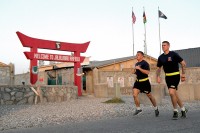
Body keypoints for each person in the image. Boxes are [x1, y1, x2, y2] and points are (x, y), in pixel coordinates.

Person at [156, 41, 187, 120]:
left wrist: (183, 74)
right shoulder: (161, 57)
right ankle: (183, 110)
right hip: (168, 77)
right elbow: (159, 68)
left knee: (171, 92)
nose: (163, 47)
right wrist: (158, 76)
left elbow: (183, 63)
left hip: (175, 76)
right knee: (174, 94)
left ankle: (175, 111)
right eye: (162, 45)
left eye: (165, 45)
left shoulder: (173, 54)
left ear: (168, 46)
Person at [132, 51, 159, 117]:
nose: (136, 56)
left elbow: (147, 72)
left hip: (145, 82)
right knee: (134, 94)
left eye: (138, 55)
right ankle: (138, 109)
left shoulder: (145, 63)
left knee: (149, 96)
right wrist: (134, 71)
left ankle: (156, 108)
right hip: (138, 82)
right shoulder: (136, 64)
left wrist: (139, 68)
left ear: (142, 56)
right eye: (136, 55)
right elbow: (137, 72)